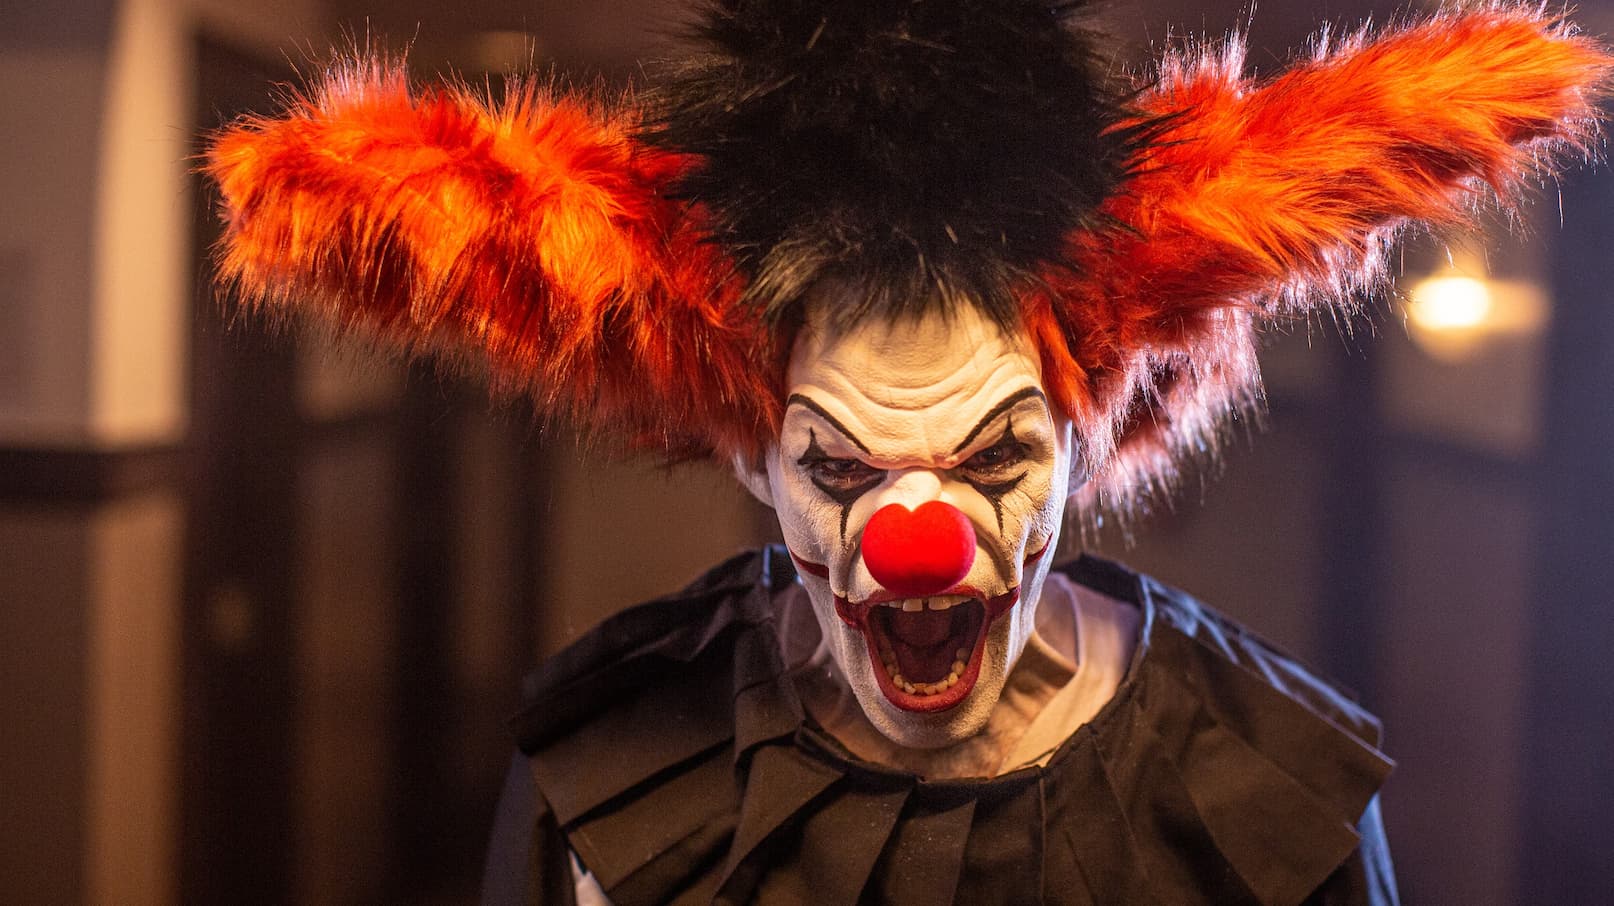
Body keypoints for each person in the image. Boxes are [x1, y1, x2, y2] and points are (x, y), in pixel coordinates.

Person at [204, 1, 1608, 902]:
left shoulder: (1262, 785)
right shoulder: (608, 764)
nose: (916, 544)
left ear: (1087, 439)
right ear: (753, 458)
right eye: (839, 469)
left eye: (995, 458)